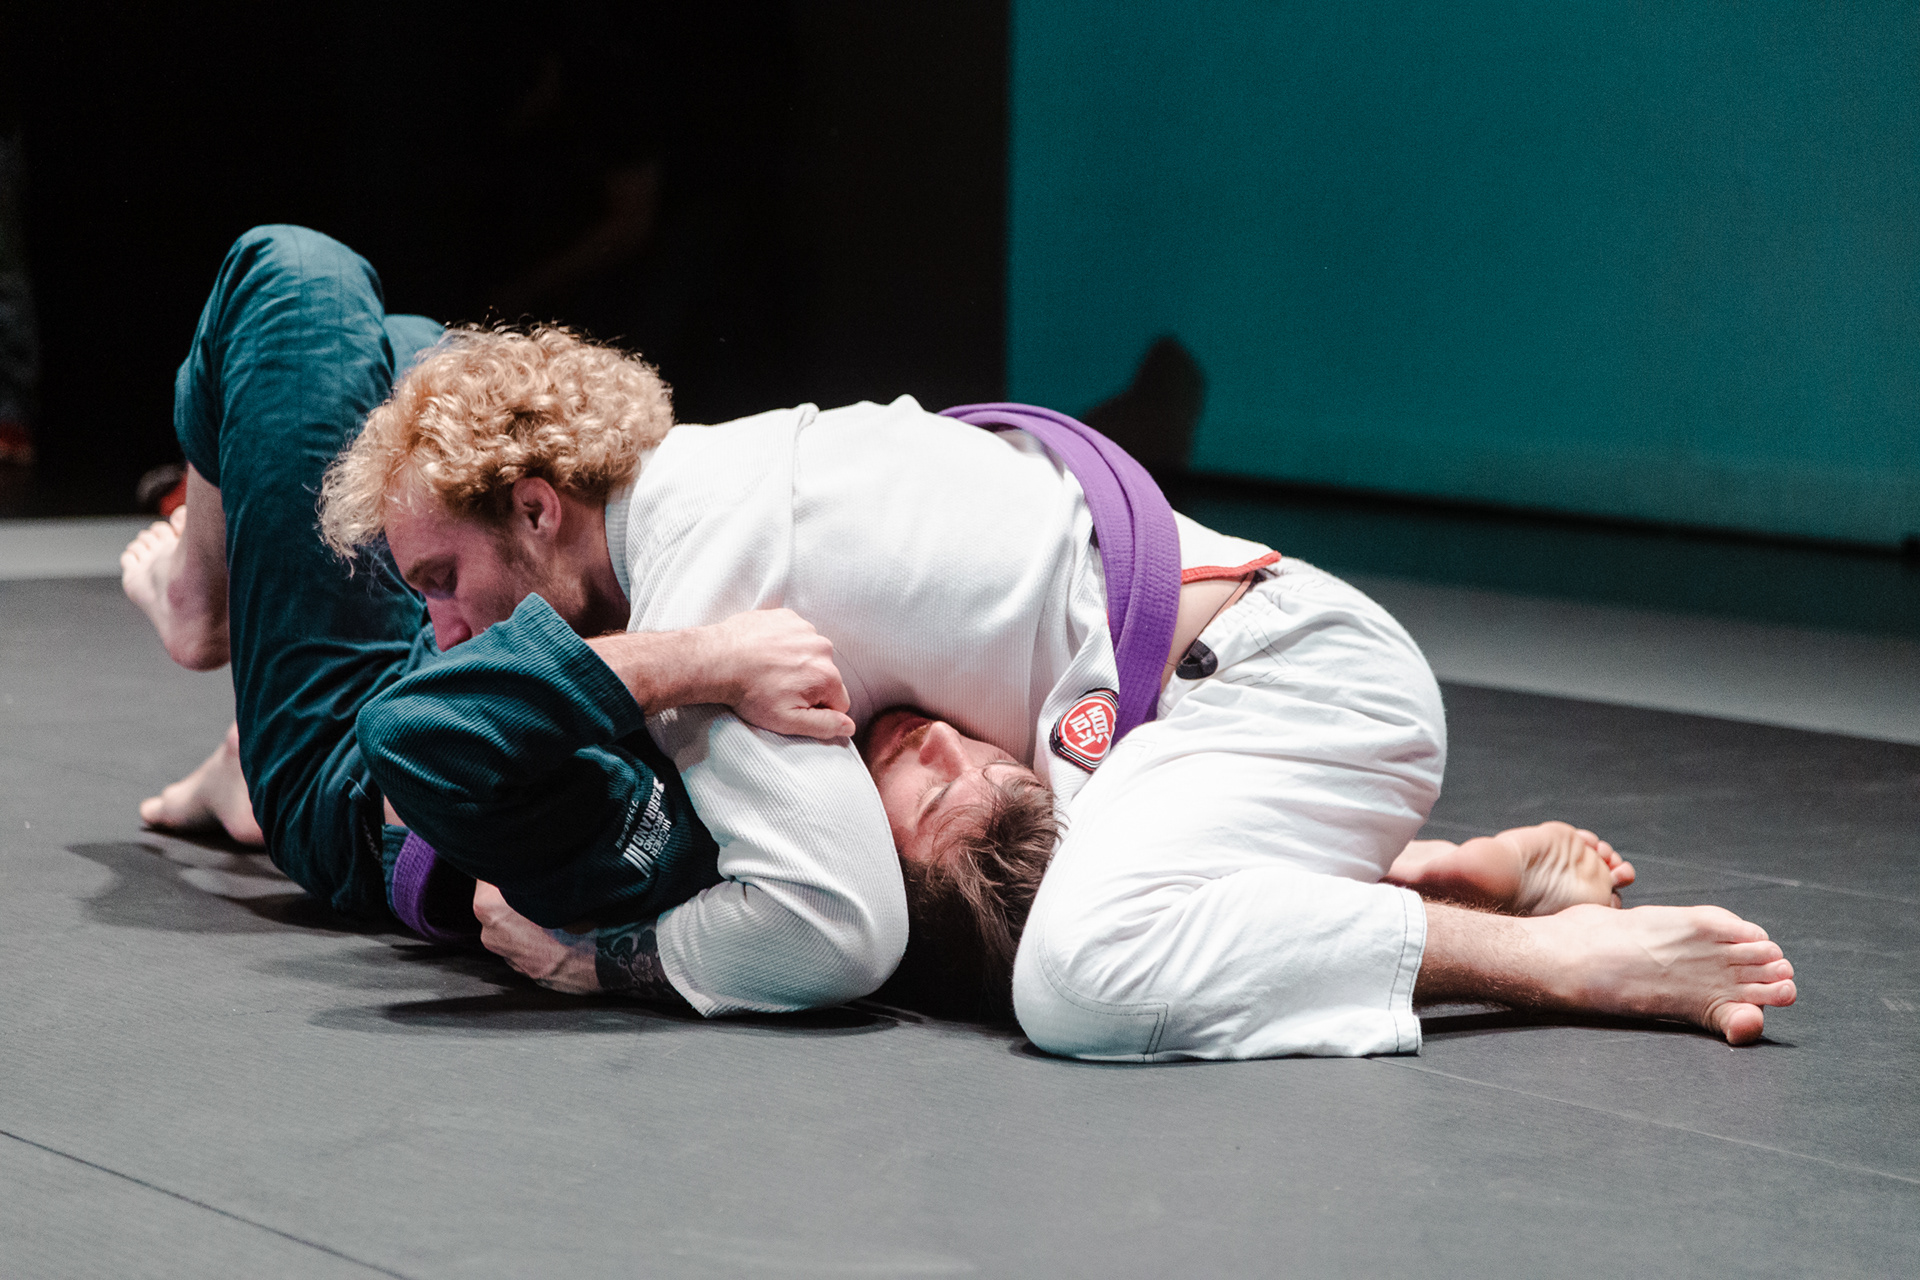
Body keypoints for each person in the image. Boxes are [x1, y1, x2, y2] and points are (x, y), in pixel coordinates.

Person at [311, 311, 1795, 1054]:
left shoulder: (707, 569)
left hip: (1283, 682)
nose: (444, 626)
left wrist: (609, 962)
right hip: (1248, 699)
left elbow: (830, 928)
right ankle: (1448, 874)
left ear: (539, 508)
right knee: (1035, 880)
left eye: (443, 579)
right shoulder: (724, 484)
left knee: (1076, 976)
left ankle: (1555, 964)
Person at [121, 224, 903, 1015]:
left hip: (345, 764)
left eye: (930, 795)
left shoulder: (722, 843)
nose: (927, 745)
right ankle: (244, 758)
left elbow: (416, 734)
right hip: (465, 659)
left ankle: (204, 614)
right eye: (950, 743)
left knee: (296, 280)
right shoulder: (837, 702)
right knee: (420, 356)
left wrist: (709, 660)